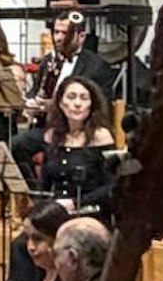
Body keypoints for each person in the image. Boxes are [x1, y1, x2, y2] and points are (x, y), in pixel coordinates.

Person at [11, 77, 117, 215]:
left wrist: (75, 203)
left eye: (84, 98)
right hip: (56, 210)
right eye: (71, 97)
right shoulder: (51, 136)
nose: (77, 103)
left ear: (92, 104)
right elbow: (45, 184)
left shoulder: (102, 136)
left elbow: (110, 186)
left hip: (89, 211)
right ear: (61, 103)